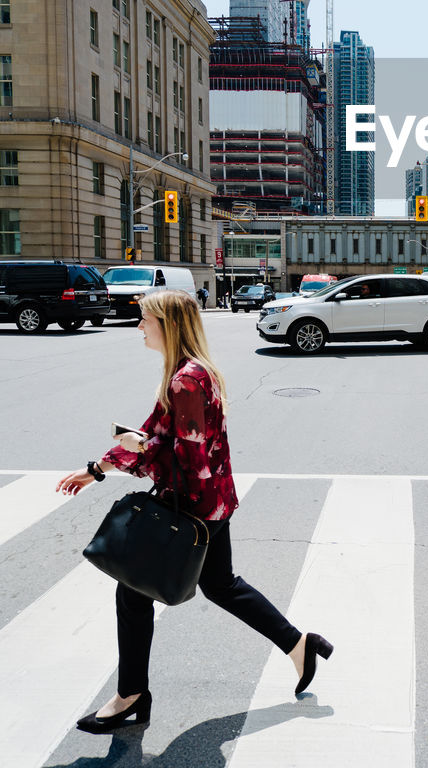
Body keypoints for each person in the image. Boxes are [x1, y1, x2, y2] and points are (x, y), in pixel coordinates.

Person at [56, 289, 333, 734]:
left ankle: (131, 695)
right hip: (214, 501)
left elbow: (189, 460)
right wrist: (98, 468)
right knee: (221, 584)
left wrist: (140, 450)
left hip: (193, 506)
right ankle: (298, 644)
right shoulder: (194, 373)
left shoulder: (185, 380)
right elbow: (159, 433)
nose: (139, 327)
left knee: (132, 592)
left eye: (145, 319)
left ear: (167, 324)